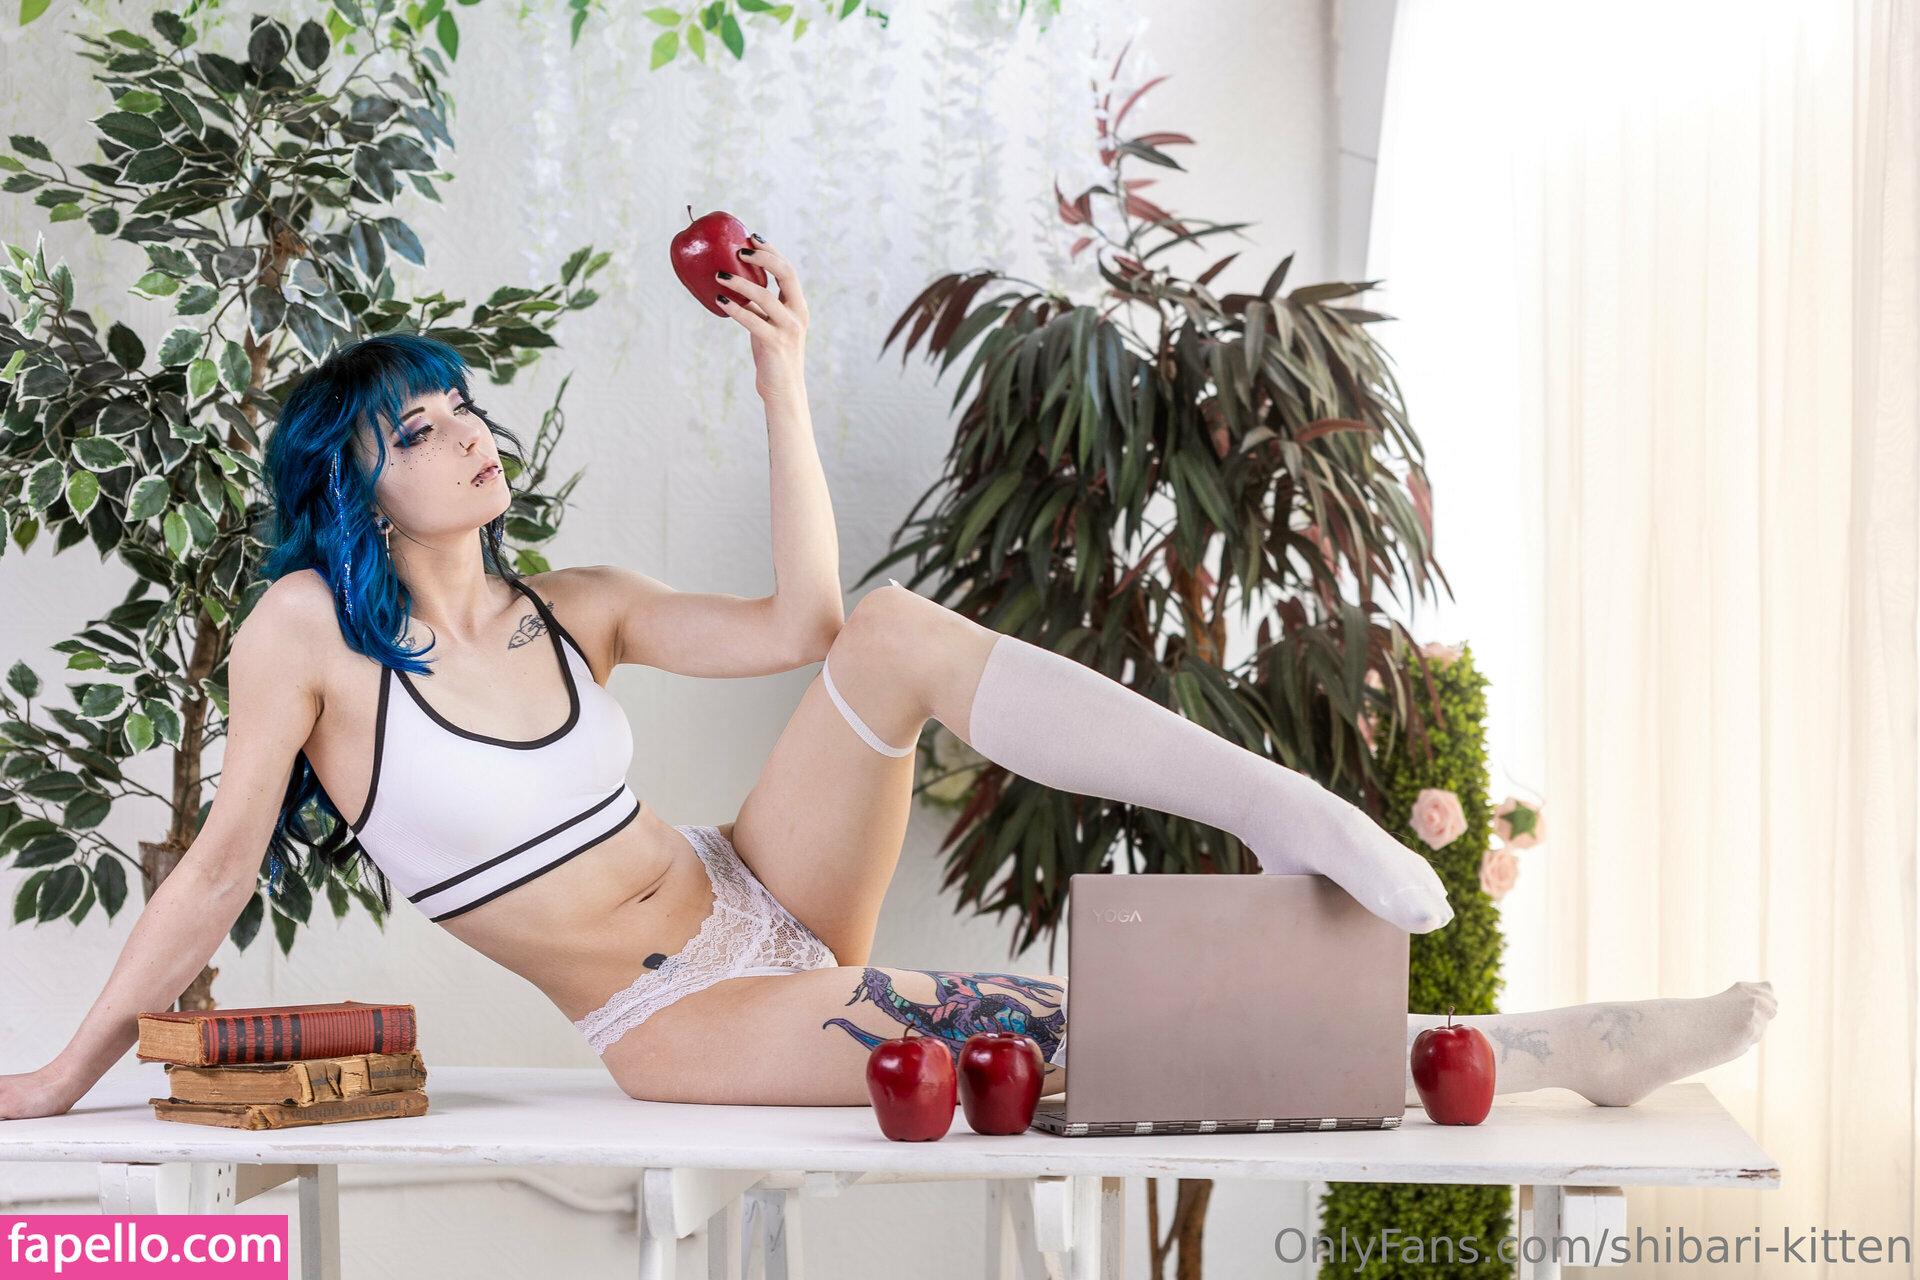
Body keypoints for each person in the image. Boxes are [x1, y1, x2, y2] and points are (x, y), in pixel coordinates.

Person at [0, 239, 1774, 1118]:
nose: (473, 435)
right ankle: (1558, 1051)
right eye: (425, 428)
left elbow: (809, 623)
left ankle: (1286, 806)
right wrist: (68, 1072)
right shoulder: (304, 637)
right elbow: (213, 874)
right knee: (1027, 1026)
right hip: (672, 1014)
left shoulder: (575, 603)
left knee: (901, 629)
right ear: (358, 482)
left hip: (758, 884)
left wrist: (780, 377)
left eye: (470, 407)